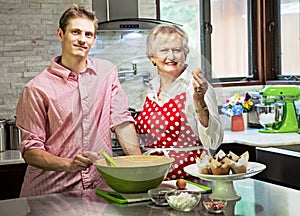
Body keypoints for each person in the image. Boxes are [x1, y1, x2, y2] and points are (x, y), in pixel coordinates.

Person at [16, 4, 142, 197]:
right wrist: (69, 165)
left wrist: (140, 167)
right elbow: (30, 151)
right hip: (51, 194)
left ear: (94, 40)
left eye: (88, 34)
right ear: (60, 35)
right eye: (76, 32)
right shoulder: (36, 88)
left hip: (98, 191)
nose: (82, 39)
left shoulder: (106, 73)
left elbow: (121, 121)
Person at [134, 24, 224, 180]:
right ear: (152, 58)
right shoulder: (149, 90)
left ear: (185, 55)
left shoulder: (197, 86)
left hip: (191, 179)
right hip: (155, 180)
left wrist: (199, 101)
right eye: (164, 51)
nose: (171, 56)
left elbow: (214, 141)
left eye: (177, 50)